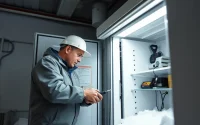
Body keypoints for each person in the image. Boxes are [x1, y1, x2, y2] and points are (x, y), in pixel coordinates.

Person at [28, 35, 103, 125]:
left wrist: (86, 99)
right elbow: (54, 92)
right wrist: (84, 93)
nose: (80, 60)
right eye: (79, 55)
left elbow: (71, 97)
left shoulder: (73, 72)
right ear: (68, 49)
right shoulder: (48, 63)